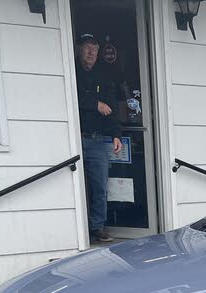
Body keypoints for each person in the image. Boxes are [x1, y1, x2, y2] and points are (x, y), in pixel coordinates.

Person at [75, 33, 122, 244]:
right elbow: (71, 94)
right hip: (73, 139)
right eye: (87, 48)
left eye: (94, 49)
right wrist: (95, 104)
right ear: (79, 50)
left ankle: (97, 226)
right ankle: (77, 227)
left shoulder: (103, 77)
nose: (91, 53)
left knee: (99, 187)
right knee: (75, 186)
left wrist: (116, 135)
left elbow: (111, 107)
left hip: (96, 140)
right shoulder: (70, 71)